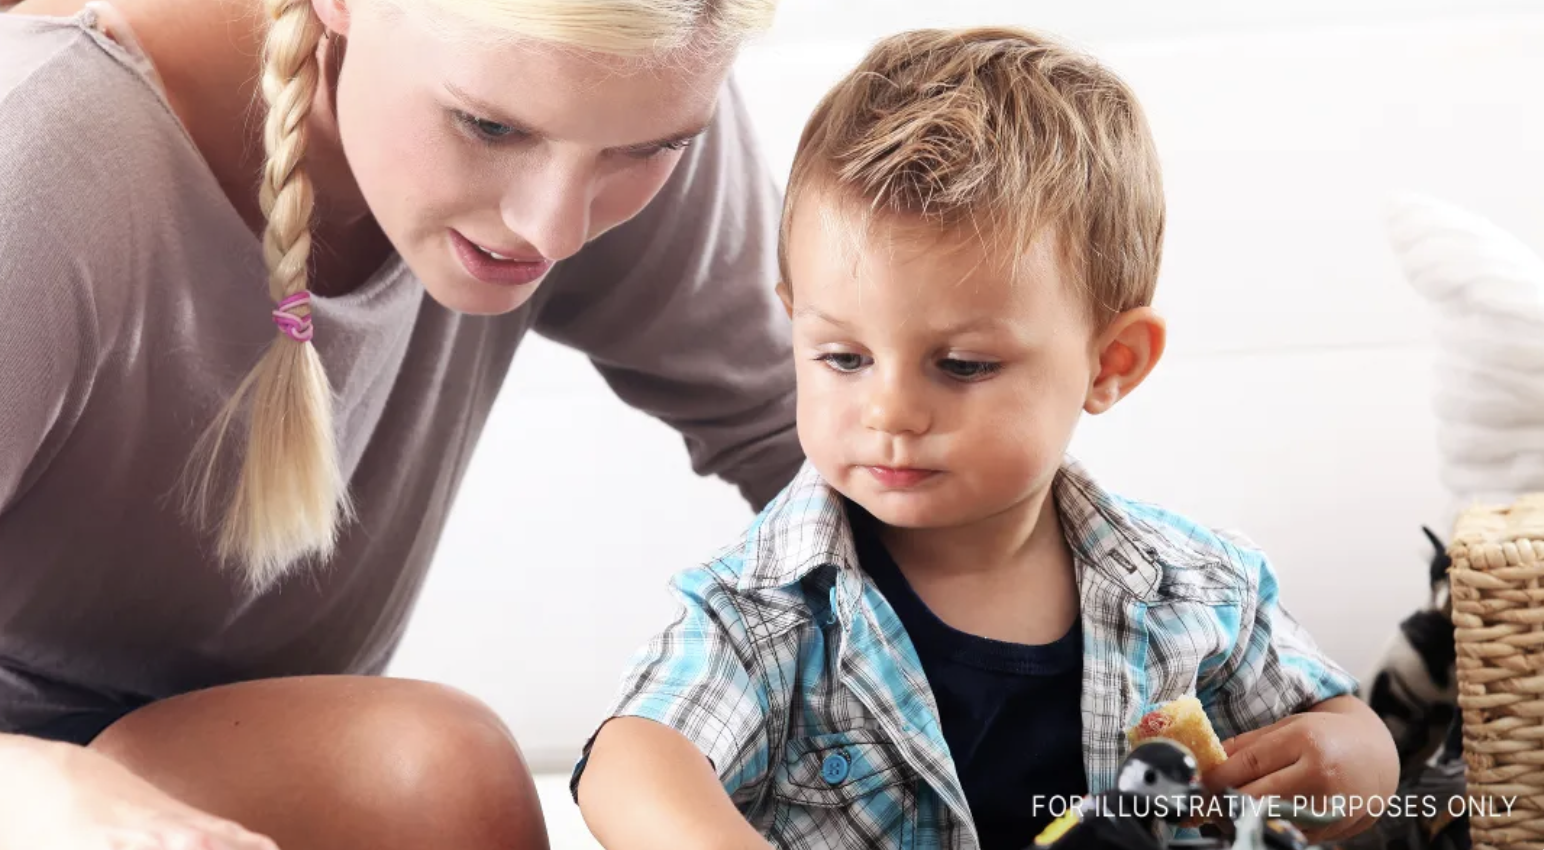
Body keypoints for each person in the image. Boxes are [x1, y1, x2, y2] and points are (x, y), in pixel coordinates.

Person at [572, 26, 1400, 850]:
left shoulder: (1198, 589)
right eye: (843, 357)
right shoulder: (763, 617)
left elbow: (1333, 719)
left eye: (962, 365)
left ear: (1110, 363)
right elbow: (634, 759)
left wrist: (1355, 761)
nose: (889, 411)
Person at [0, 0, 802, 845]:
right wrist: (55, 797)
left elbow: (825, 451)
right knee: (439, 779)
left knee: (436, 787)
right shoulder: (40, 154)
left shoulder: (618, 79)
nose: (553, 228)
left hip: (223, 789)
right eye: (490, 128)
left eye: (648, 151)